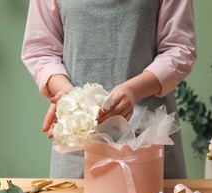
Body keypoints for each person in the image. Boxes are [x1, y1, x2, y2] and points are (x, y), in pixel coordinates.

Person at [21, 0, 196, 179]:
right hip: (78, 142)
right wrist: (68, 94)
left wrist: (134, 90)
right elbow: (40, 50)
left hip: (149, 136)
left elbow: (180, 48)